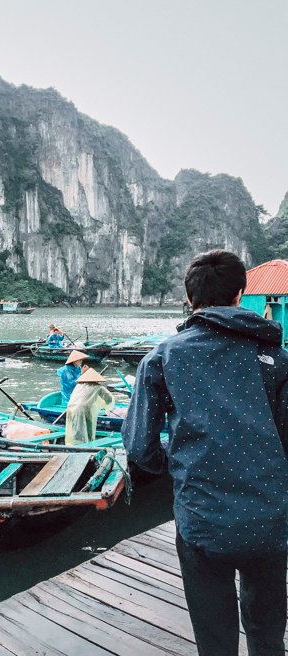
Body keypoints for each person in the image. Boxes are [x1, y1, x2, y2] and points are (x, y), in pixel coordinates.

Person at [123, 249, 288, 656]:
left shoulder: (163, 357)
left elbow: (139, 447)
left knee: (214, 639)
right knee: (268, 635)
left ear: (189, 297)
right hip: (270, 518)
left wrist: (178, 465)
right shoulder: (277, 359)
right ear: (239, 294)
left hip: (202, 521)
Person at [64, 368, 115, 446]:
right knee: (87, 431)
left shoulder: (79, 385)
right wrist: (106, 406)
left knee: (75, 432)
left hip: (71, 409)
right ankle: (86, 447)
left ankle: (74, 446)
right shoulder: (98, 387)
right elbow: (109, 400)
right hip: (84, 410)